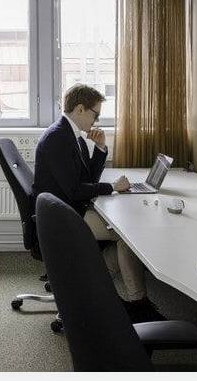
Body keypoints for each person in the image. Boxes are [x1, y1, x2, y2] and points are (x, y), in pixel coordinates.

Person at [33, 83, 163, 323]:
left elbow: (88, 179)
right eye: (96, 114)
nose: (97, 120)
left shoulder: (73, 136)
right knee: (127, 236)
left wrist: (101, 148)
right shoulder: (58, 139)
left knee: (124, 236)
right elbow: (74, 190)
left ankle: (95, 284)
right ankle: (138, 303)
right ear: (80, 109)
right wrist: (112, 187)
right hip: (63, 217)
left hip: (72, 208)